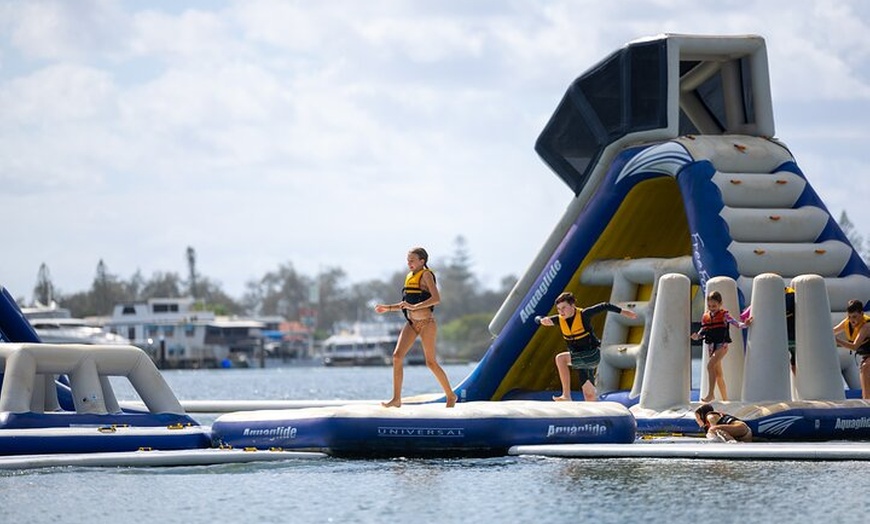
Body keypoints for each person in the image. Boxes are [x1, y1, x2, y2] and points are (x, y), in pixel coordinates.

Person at [374, 247, 457, 408]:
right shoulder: (408, 277)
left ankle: (451, 395)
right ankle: (396, 399)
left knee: (431, 362)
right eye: (408, 260)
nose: (409, 263)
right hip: (411, 323)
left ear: (422, 261)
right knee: (397, 356)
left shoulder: (426, 275)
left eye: (412, 260)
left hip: (427, 323)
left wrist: (414, 307)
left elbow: (436, 299)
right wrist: (388, 308)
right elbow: (406, 304)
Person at [536, 291, 637, 401]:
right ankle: (595, 415)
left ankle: (566, 395)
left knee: (560, 359)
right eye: (559, 309)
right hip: (580, 360)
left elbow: (604, 306)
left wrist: (623, 312)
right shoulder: (559, 320)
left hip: (592, 355)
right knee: (589, 395)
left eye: (564, 308)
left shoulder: (584, 315)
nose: (561, 312)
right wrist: (542, 320)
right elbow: (537, 318)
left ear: (572, 305)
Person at [692, 290, 751, 402]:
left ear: (720, 304)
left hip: (722, 346)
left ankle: (711, 394)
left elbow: (737, 324)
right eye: (709, 306)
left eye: (714, 306)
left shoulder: (724, 315)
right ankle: (725, 399)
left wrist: (745, 324)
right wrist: (697, 337)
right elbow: (702, 331)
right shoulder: (705, 317)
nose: (711, 308)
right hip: (711, 346)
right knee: (718, 374)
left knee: (710, 366)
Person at [741, 286, 796, 373]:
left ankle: (798, 384)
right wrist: (746, 322)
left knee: (793, 362)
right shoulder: (764, 299)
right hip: (780, 339)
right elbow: (745, 316)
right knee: (782, 364)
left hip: (791, 337)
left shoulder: (790, 297)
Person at [833, 299, 870, 399]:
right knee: (864, 376)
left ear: (862, 314)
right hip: (866, 356)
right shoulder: (847, 322)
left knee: (866, 367)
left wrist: (837, 341)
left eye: (854, 317)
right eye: (849, 317)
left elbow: (855, 346)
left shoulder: (866, 326)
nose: (852, 320)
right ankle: (867, 403)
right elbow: (833, 331)